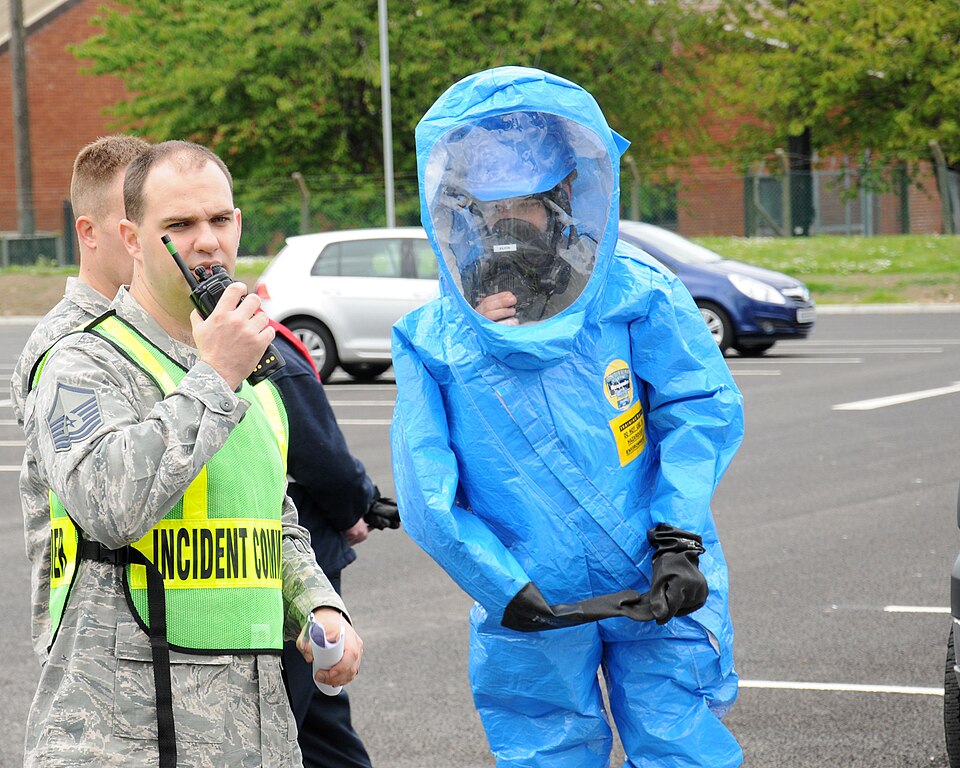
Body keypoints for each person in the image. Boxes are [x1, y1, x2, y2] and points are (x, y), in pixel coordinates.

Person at [390, 66, 745, 767]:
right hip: (532, 597)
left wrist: (677, 536)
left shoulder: (634, 294)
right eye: (490, 210)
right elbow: (428, 494)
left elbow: (696, 409)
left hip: (655, 575)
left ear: (565, 196)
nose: (507, 225)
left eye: (525, 203)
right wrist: (500, 585)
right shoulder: (436, 339)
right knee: (545, 750)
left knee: (680, 746)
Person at [18, 140, 362, 768]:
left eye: (220, 220)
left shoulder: (247, 367)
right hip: (125, 733)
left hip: (252, 729)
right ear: (130, 237)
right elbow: (108, 505)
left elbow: (271, 514)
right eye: (179, 225)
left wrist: (318, 601)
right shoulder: (81, 360)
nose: (207, 241)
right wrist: (214, 376)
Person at [11, 134, 151, 664]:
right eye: (128, 217)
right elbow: (110, 503)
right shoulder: (67, 348)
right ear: (88, 232)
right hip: (98, 654)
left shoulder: (157, 332)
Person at [268, 320, 399, 768]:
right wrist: (355, 506)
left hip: (297, 571)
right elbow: (327, 461)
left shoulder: (261, 350)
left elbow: (323, 461)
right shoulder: (265, 349)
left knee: (309, 720)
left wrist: (357, 505)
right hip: (296, 564)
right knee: (311, 723)